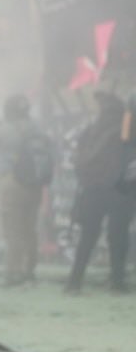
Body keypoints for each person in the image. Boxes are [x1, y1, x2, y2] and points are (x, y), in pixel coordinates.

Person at [65, 90, 135, 293]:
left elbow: (78, 159)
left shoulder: (92, 129)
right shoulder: (127, 129)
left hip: (92, 191)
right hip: (120, 191)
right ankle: (117, 282)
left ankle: (74, 282)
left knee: (88, 236)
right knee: (118, 236)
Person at [0, 94, 51, 287]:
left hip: (12, 183)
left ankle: (13, 273)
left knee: (12, 229)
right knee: (29, 229)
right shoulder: (37, 128)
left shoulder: (3, 130)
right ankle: (29, 270)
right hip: (35, 186)